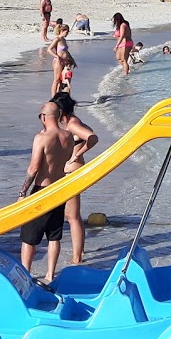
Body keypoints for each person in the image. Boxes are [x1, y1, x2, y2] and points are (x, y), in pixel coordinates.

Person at [20, 99, 78, 284]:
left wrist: (23, 192)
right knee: (54, 234)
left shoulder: (42, 138)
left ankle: (25, 275)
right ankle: (50, 274)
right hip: (59, 188)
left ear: (44, 117)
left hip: (42, 190)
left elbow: (34, 167)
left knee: (29, 237)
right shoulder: (68, 136)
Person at [53, 92, 99, 266]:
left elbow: (93, 138)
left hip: (72, 172)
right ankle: (79, 252)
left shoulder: (73, 124)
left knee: (72, 216)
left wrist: (77, 154)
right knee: (70, 215)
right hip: (69, 172)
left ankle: (77, 258)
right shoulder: (70, 122)